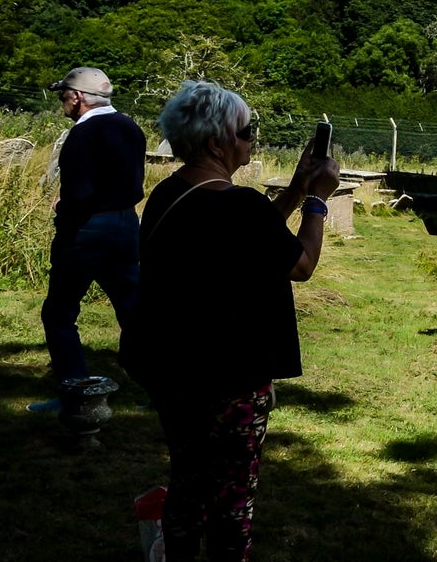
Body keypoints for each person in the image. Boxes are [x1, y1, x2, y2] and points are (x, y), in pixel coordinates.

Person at [124, 80, 338, 562]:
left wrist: (296, 187)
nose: (251, 141)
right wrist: (317, 200)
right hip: (230, 377)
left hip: (173, 369)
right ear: (218, 141)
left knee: (188, 480)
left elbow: (253, 235)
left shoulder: (169, 194)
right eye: (246, 132)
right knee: (231, 502)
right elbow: (299, 264)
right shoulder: (237, 207)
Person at [37, 66, 146, 402]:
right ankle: (159, 387)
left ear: (78, 97)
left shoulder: (82, 135)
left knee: (59, 313)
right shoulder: (131, 127)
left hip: (87, 230)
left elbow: (81, 195)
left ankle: (77, 392)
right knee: (132, 310)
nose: (63, 104)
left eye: (63, 97)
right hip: (126, 224)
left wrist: (62, 208)